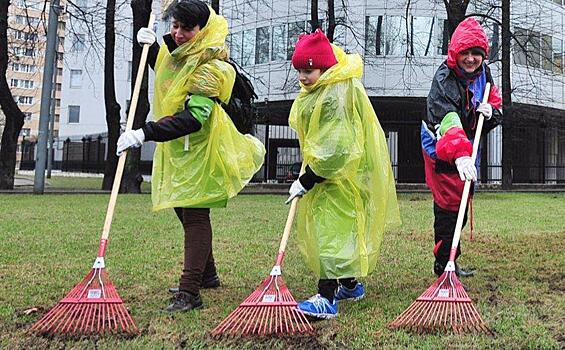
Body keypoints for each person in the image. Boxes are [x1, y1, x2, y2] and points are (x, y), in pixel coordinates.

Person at [116, 0, 265, 312]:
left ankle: (189, 291)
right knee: (184, 211)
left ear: (203, 30)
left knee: (196, 216)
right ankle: (207, 275)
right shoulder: (183, 55)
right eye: (175, 26)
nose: (179, 33)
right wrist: (151, 49)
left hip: (202, 150)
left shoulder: (211, 67)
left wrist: (145, 132)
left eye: (187, 28)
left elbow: (194, 117)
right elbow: (172, 74)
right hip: (183, 150)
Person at [285, 29, 400, 319]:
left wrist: (307, 179)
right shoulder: (327, 86)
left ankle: (327, 297)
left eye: (308, 70)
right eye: (299, 70)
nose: (302, 76)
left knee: (330, 235)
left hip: (339, 178)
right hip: (345, 177)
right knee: (342, 231)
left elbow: (336, 151)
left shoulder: (335, 95)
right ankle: (350, 286)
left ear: (323, 67)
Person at [420, 17, 502, 277]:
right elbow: (447, 120)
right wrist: (458, 155)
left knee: (462, 204)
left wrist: (493, 113)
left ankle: (451, 259)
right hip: (442, 146)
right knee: (448, 207)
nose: (470, 59)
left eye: (476, 53)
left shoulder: (484, 75)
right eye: (465, 52)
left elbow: (495, 101)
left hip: (466, 147)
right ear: (455, 53)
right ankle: (444, 264)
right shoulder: (444, 80)